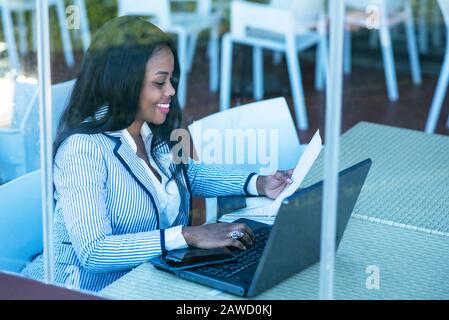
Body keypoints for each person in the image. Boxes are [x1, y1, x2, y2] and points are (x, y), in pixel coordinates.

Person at [21, 16, 293, 292]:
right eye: (159, 82)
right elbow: (94, 250)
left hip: (144, 284)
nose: (171, 91)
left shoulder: (150, 131)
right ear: (123, 83)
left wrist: (257, 183)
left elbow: (189, 173)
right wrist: (188, 235)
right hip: (82, 289)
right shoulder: (83, 149)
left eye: (171, 80)